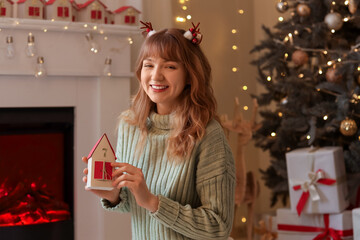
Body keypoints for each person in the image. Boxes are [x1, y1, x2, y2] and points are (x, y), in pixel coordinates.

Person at [82, 21, 236, 240]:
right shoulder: (130, 125)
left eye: (170, 66)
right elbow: (134, 205)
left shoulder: (208, 135)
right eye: (149, 64)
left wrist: (153, 202)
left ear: (190, 76)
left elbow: (218, 226)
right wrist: (114, 194)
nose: (156, 76)